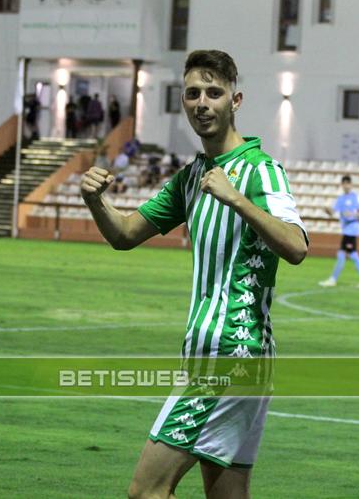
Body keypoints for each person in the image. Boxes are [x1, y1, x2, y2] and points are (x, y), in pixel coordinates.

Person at [80, 49, 308, 499]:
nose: (202, 102)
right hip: (220, 356)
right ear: (183, 101)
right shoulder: (191, 178)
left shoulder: (263, 171)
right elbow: (125, 234)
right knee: (226, 494)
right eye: (192, 93)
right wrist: (95, 202)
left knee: (146, 491)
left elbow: (297, 246)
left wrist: (237, 199)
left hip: (231, 352)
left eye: (214, 93)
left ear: (235, 100)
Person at [318, 175, 359, 288]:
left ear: (351, 185)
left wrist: (352, 214)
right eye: (344, 183)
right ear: (342, 185)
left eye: (348, 183)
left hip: (352, 229)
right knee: (352, 254)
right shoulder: (340, 199)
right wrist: (327, 210)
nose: (346, 185)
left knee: (343, 254)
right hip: (346, 230)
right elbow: (333, 212)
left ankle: (333, 279)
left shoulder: (356, 197)